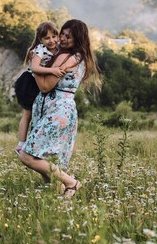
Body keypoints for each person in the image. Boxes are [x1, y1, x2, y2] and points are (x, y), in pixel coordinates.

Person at [18, 19, 101, 198]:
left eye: (68, 37)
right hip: (65, 108)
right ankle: (56, 195)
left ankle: (71, 183)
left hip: (56, 108)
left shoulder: (64, 57)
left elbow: (45, 87)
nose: (62, 39)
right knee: (46, 157)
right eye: (62, 34)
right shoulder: (80, 57)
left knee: (27, 156)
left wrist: (34, 69)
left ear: (77, 39)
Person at [14, 22, 67, 154]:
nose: (51, 40)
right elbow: (35, 68)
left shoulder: (59, 48)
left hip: (43, 83)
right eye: (47, 38)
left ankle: (41, 142)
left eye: (54, 36)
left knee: (42, 113)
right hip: (30, 83)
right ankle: (21, 144)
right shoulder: (39, 49)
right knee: (28, 114)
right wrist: (52, 70)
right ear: (40, 39)